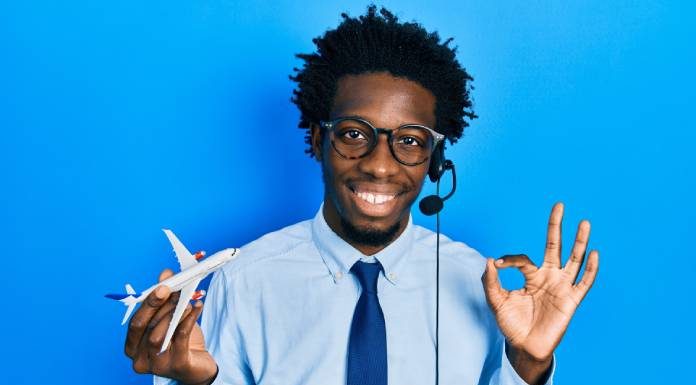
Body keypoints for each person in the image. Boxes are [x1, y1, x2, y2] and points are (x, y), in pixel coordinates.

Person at [123, 6, 599, 385]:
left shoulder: (481, 286)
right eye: (354, 134)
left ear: (435, 160)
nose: (379, 164)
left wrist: (529, 366)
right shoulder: (243, 280)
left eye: (410, 141)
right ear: (317, 140)